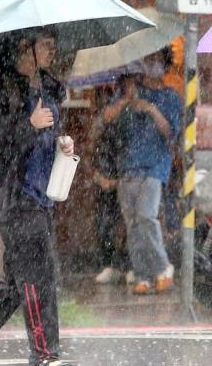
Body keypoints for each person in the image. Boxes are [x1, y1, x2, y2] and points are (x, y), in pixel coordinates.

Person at [0, 27, 74, 366]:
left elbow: (47, 133)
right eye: (46, 46)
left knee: (14, 282)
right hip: (12, 196)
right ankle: (44, 353)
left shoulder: (48, 85)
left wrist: (60, 141)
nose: (52, 51)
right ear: (25, 48)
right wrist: (29, 124)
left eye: (53, 45)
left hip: (42, 195)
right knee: (39, 275)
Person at [103, 48, 182, 296]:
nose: (152, 65)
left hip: (156, 165)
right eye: (148, 59)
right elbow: (107, 117)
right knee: (133, 224)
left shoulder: (171, 96)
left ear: (165, 65)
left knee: (146, 216)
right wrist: (128, 100)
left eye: (158, 60)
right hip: (128, 165)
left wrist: (149, 109)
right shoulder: (130, 90)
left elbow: (171, 133)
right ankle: (142, 274)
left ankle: (162, 266)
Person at [90, 79, 132, 285]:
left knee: (127, 223)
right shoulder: (107, 106)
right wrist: (98, 175)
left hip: (126, 173)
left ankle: (127, 265)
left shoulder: (134, 104)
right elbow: (94, 138)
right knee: (105, 222)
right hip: (105, 173)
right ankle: (109, 264)